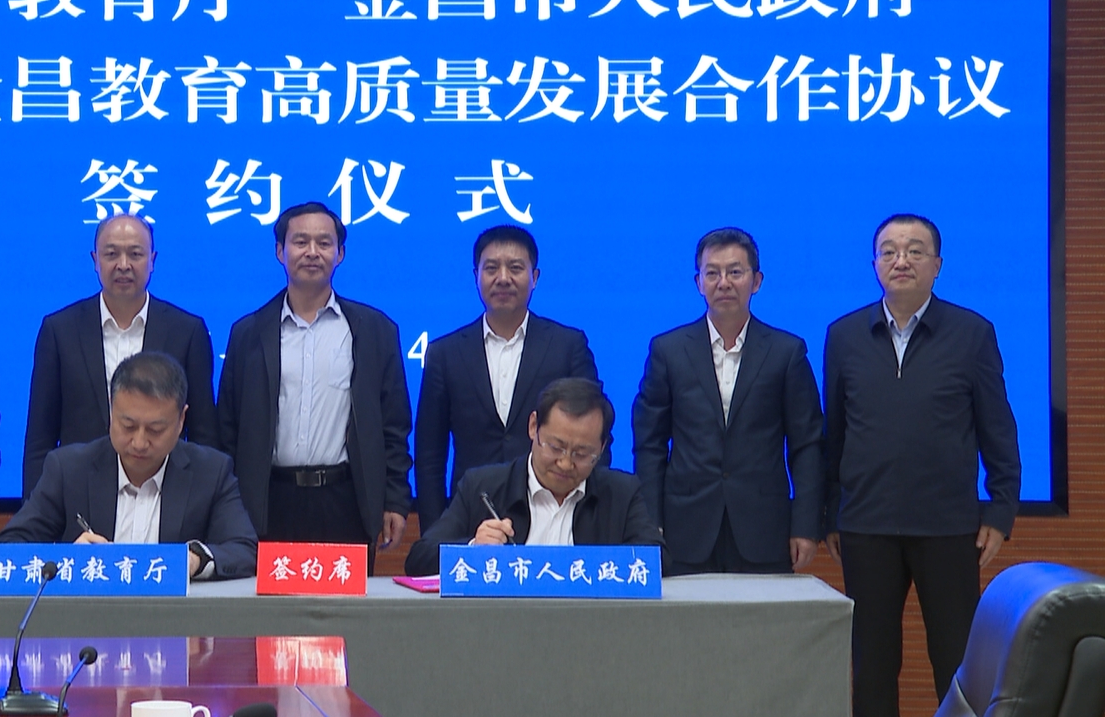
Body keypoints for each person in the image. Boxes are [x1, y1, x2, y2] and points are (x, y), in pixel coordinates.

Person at [824, 214, 1021, 717]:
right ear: (874, 264)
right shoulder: (844, 335)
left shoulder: (972, 333)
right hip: (866, 525)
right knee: (871, 665)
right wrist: (830, 512)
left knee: (957, 663)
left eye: (915, 250)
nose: (901, 260)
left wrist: (1000, 510)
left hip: (947, 526)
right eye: (889, 251)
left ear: (937, 265)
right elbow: (834, 434)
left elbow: (998, 428)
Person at [216, 202, 411, 561]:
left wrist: (396, 500)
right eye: (300, 241)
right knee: (265, 597)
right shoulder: (248, 333)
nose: (312, 252)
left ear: (340, 254)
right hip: (268, 502)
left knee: (347, 598)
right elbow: (227, 428)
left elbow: (393, 427)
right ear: (280, 251)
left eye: (324, 243)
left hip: (346, 501)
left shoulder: (375, 331)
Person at [632, 227, 824, 575]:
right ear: (698, 282)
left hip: (764, 527)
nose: (724, 283)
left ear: (756, 281)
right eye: (712, 273)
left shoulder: (787, 352)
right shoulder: (668, 350)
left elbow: (807, 445)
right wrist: (649, 522)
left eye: (735, 272)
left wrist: (806, 525)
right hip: (684, 528)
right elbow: (650, 444)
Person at [0, 351, 257, 580]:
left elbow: (245, 550)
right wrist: (67, 559)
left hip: (176, 617)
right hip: (88, 617)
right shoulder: (68, 469)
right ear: (112, 412)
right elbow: (5, 549)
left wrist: (195, 560)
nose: (140, 443)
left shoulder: (211, 472)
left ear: (181, 420)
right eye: (128, 426)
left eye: (155, 429)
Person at [414, 225, 601, 530]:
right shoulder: (444, 353)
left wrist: (590, 516)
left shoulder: (567, 345)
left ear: (535, 277)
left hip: (554, 513)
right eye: (491, 268)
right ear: (476, 276)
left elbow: (594, 431)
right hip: (471, 517)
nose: (503, 278)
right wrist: (436, 532)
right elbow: (429, 454)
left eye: (515, 268)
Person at [21, 214, 216, 497]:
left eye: (135, 254)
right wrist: (35, 509)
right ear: (95, 260)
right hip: (80, 494)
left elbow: (203, 436)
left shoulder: (187, 331)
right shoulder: (59, 330)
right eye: (111, 254)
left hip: (164, 495)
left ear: (153, 260)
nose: (123, 265)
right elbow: (40, 437)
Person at [406, 378, 662, 576]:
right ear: (533, 427)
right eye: (556, 447)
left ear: (602, 447)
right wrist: (473, 548)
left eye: (582, 454)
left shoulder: (621, 493)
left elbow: (658, 559)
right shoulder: (482, 487)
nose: (565, 463)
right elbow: (419, 559)